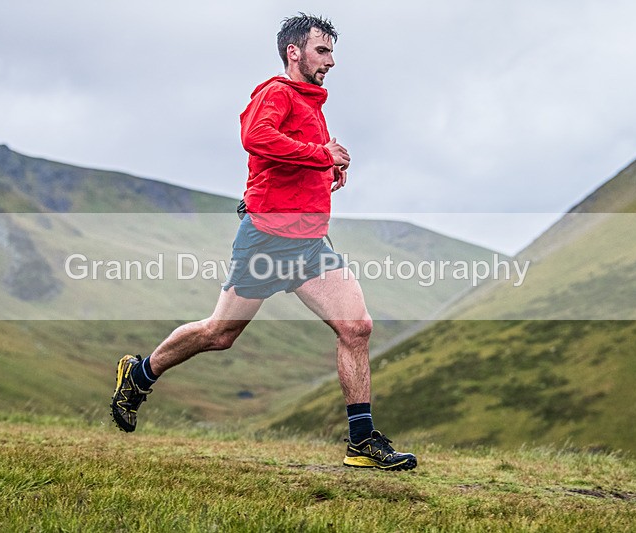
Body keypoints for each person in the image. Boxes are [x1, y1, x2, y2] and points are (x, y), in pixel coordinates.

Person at [111, 13, 416, 471]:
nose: (331, 60)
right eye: (322, 50)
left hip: (310, 243)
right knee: (219, 334)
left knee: (357, 327)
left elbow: (292, 158)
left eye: (332, 51)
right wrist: (319, 154)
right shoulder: (276, 91)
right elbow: (255, 138)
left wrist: (327, 169)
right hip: (267, 240)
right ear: (295, 52)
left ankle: (361, 441)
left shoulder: (312, 103)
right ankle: (139, 374)